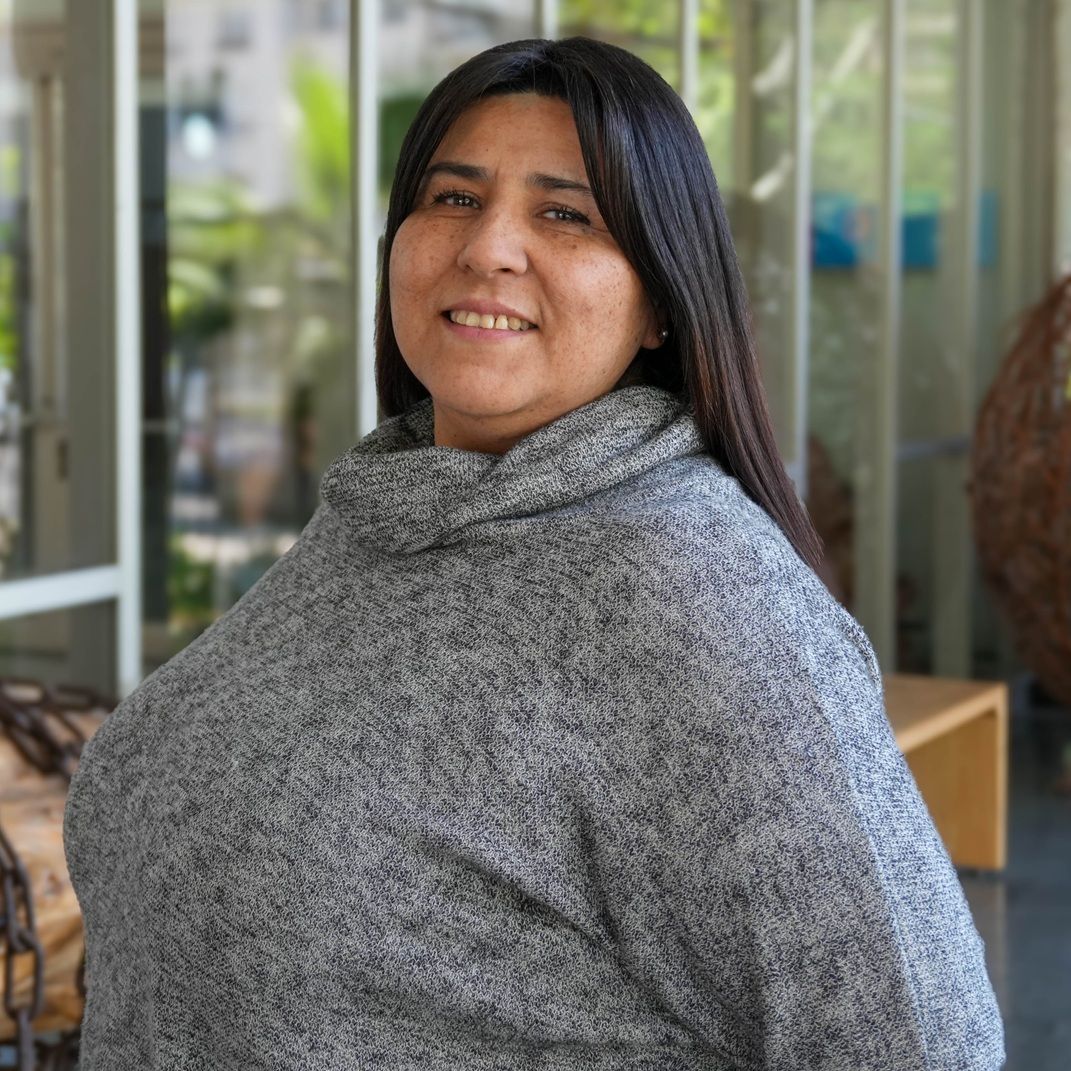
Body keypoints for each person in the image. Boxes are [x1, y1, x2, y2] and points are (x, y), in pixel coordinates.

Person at [63, 36, 1005, 1070]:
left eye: (566, 215)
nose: (489, 247)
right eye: (454, 198)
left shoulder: (693, 594)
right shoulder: (383, 511)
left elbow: (918, 1042)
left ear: (660, 300)